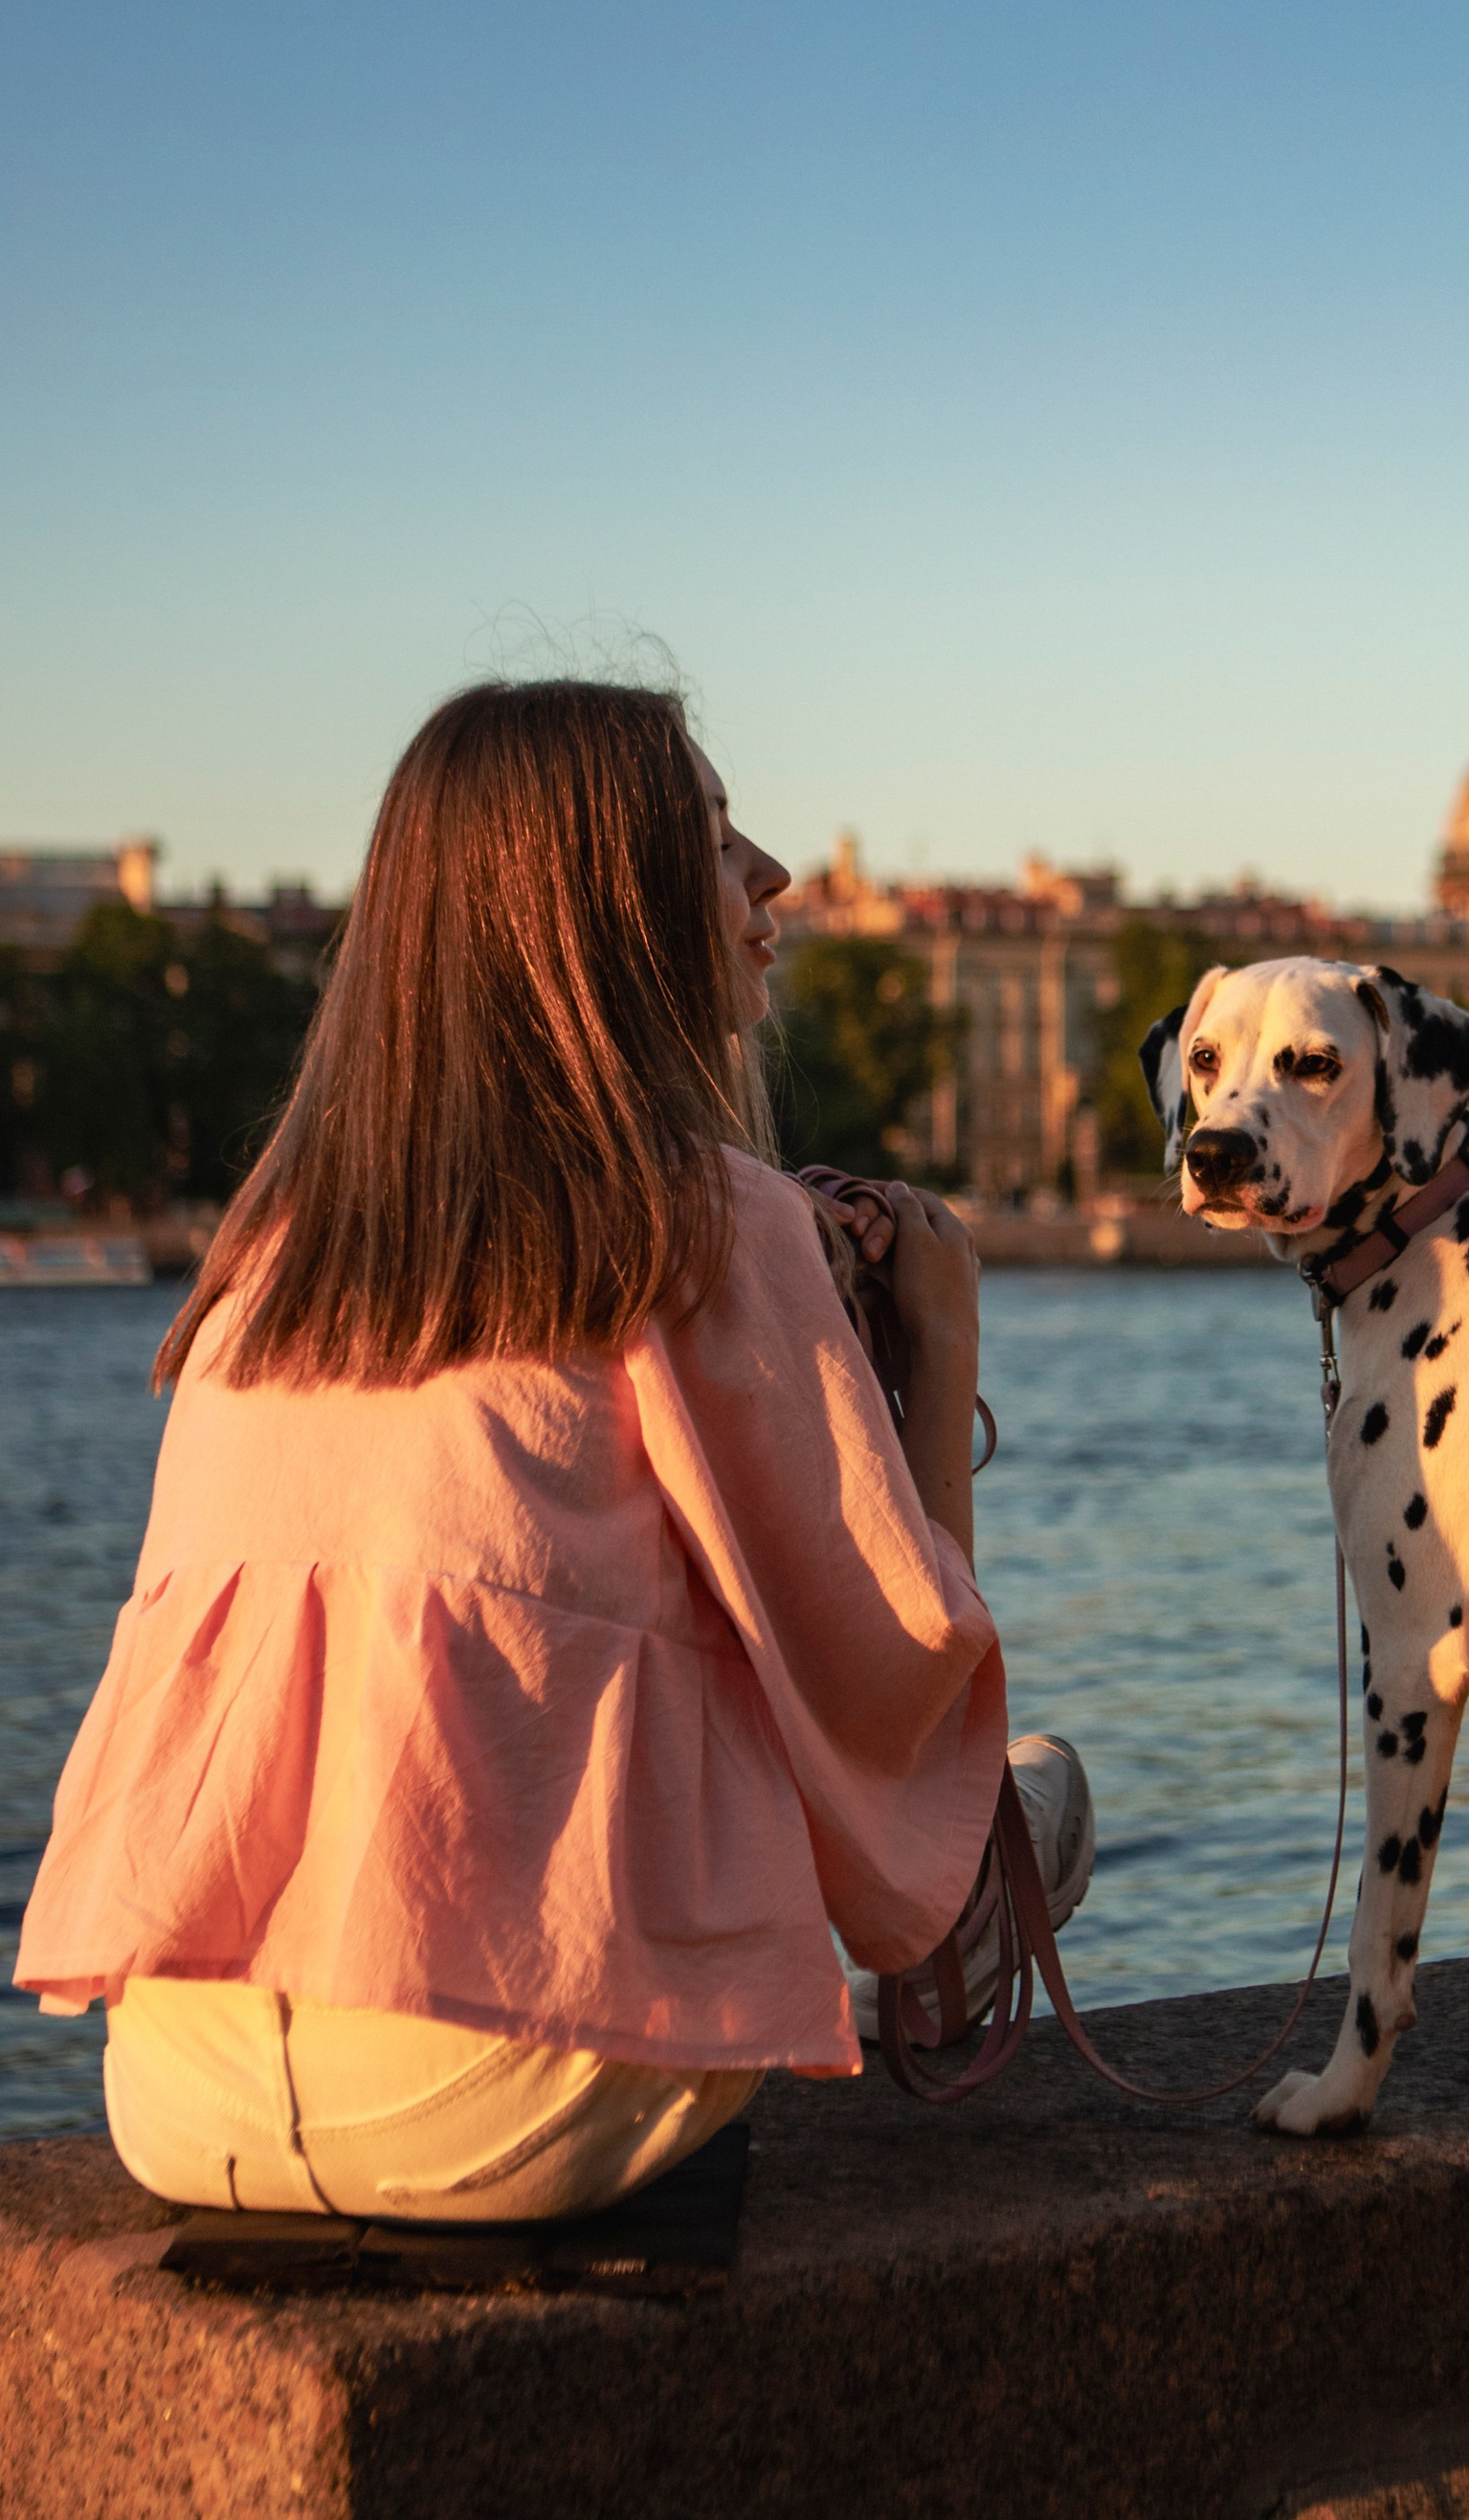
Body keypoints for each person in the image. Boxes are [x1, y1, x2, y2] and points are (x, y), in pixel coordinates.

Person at [11, 680, 1091, 2222]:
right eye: (720, 843)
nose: (772, 876)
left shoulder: (267, 1261)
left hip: (179, 2092)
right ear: (615, 913)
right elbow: (901, 1699)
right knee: (1036, 1803)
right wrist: (937, 1354)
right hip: (503, 2102)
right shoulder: (707, 1220)